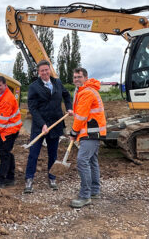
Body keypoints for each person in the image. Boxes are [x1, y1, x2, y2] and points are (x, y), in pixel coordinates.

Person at [24, 60, 73, 194]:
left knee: (53, 153)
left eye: (46, 70)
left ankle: (52, 178)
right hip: (40, 125)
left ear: (50, 70)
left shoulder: (57, 82)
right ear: (38, 73)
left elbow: (66, 95)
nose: (45, 73)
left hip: (55, 123)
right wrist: (42, 124)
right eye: (42, 71)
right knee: (33, 153)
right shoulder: (34, 87)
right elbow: (33, 108)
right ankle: (29, 179)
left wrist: (69, 108)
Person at [69, 67, 107, 208]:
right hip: (93, 131)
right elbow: (83, 112)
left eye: (79, 77)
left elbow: (82, 117)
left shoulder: (86, 92)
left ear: (85, 77)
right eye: (74, 77)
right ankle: (95, 191)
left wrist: (73, 132)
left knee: (82, 161)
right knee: (92, 161)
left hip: (90, 132)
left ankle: (85, 196)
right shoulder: (86, 91)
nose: (76, 79)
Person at [0, 76, 22, 190]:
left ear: (5, 85)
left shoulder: (7, 99)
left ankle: (0, 181)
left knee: (4, 155)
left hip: (9, 130)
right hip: (5, 129)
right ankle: (10, 178)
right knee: (8, 153)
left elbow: (2, 121)